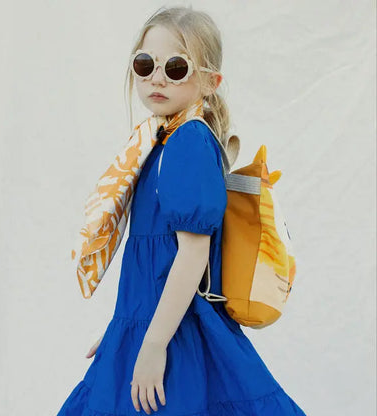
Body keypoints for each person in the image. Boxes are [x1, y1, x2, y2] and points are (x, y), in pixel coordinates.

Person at [57, 6, 307, 416]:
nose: (157, 76)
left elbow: (192, 255)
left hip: (176, 334)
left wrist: (153, 343)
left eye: (176, 67)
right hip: (155, 321)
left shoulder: (188, 141)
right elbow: (156, 261)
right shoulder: (160, 140)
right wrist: (125, 328)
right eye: (145, 64)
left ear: (210, 81)